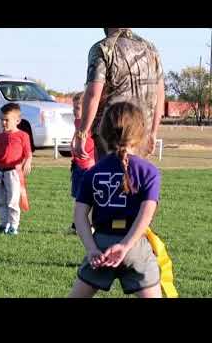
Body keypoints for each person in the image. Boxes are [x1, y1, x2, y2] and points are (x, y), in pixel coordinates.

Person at [69, 101, 163, 298]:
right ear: (140, 134)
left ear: (102, 132)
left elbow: (79, 217)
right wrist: (126, 245)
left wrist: (92, 248)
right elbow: (146, 215)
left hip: (101, 245)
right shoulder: (149, 171)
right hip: (136, 246)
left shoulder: (92, 173)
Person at [74, 28, 165, 161]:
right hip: (140, 134)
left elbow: (93, 94)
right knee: (137, 178)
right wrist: (153, 132)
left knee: (108, 179)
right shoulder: (151, 49)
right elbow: (160, 94)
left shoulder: (103, 48)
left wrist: (81, 133)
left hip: (109, 135)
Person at [0, 103, 32, 235]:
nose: (3, 122)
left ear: (17, 120)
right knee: (0, 201)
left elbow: (28, 153)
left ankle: (13, 225)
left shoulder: (23, 136)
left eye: (7, 120)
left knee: (12, 201)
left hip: (13, 172)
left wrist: (28, 161)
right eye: (1, 119)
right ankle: (3, 223)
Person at [69, 92, 95, 234]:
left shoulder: (91, 123)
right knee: (77, 196)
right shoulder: (77, 122)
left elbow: (93, 142)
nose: (74, 111)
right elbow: (76, 135)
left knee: (89, 197)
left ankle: (90, 224)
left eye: (77, 108)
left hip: (88, 166)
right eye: (73, 108)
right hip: (78, 164)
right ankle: (76, 224)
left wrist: (91, 157)